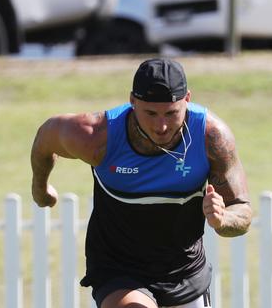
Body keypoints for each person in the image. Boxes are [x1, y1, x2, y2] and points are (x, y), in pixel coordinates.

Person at [30, 58, 252, 308]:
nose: (162, 126)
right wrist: (40, 189)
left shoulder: (210, 137)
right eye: (150, 113)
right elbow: (45, 137)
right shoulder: (96, 137)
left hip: (184, 271)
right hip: (119, 268)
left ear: (187, 99)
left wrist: (223, 220)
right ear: (132, 102)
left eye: (171, 113)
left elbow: (242, 211)